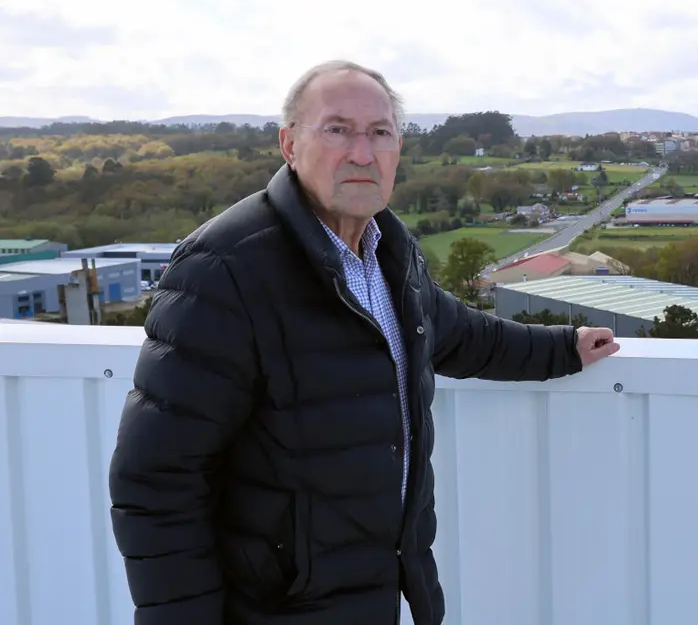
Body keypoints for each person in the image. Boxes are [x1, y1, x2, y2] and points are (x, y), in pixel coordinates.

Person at [107, 60, 620, 625]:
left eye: (380, 133)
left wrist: (563, 348)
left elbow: (458, 334)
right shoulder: (224, 270)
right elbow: (156, 479)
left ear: (398, 150)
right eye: (337, 129)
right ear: (289, 144)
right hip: (275, 608)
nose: (361, 151)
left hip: (380, 593)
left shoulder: (389, 253)